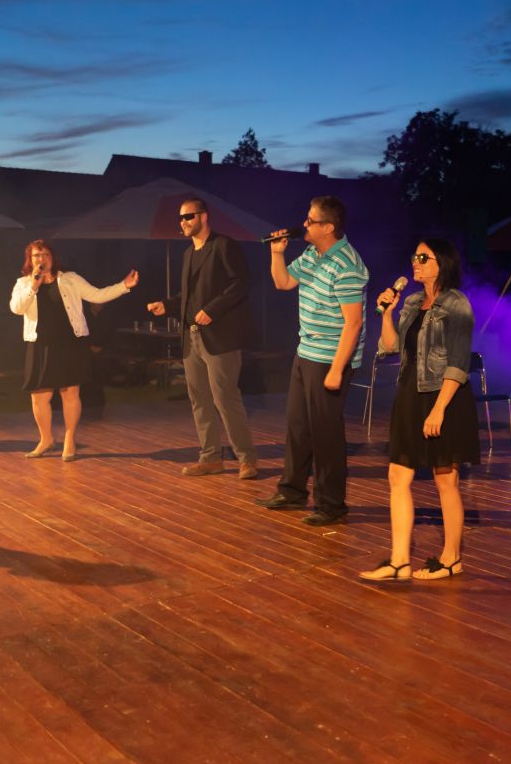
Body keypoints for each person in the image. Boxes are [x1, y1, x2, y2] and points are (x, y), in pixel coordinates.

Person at [359, 239, 478, 581]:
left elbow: (458, 363)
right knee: (398, 476)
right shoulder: (411, 302)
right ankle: (399, 561)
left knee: (446, 479)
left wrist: (439, 410)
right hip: (410, 394)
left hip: (444, 397)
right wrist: (387, 313)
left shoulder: (456, 303)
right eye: (415, 256)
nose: (416, 261)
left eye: (424, 257)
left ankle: (452, 559)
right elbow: (390, 347)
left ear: (442, 263)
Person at [254, 195, 368, 526]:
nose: (303, 224)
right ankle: (292, 491)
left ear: (328, 227)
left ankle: (332, 505)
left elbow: (354, 323)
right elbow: (283, 282)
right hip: (306, 352)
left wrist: (337, 370)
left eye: (310, 220)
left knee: (326, 434)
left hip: (330, 358)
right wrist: (277, 254)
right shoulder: (311, 254)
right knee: (298, 427)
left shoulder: (347, 265)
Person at [147, 197, 259, 479]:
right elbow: (188, 297)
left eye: (189, 217)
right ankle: (210, 458)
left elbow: (241, 284)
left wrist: (212, 310)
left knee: (226, 399)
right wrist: (167, 306)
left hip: (219, 338)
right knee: (199, 400)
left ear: (204, 217)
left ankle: (247, 459)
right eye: (181, 218)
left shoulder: (223, 245)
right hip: (191, 338)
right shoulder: (188, 253)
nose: (183, 222)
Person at [9, 239, 138, 462]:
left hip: (69, 343)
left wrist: (123, 286)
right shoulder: (23, 283)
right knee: (39, 396)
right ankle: (46, 439)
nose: (41, 259)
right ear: (30, 260)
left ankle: (69, 438)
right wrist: (33, 286)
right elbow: (17, 308)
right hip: (40, 345)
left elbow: (97, 295)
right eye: (37, 255)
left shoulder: (70, 279)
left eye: (45, 255)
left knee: (70, 393)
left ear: (52, 258)